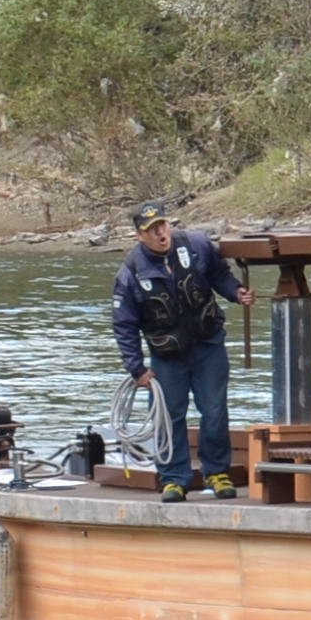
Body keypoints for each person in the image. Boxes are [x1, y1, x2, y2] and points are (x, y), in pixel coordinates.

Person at [110, 200, 252, 500]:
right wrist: (136, 368)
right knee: (168, 415)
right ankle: (174, 478)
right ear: (139, 235)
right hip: (166, 356)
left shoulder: (197, 245)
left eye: (163, 225)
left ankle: (217, 472)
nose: (161, 233)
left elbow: (219, 275)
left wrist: (235, 292)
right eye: (152, 230)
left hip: (208, 345)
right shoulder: (130, 272)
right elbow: (124, 324)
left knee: (214, 411)